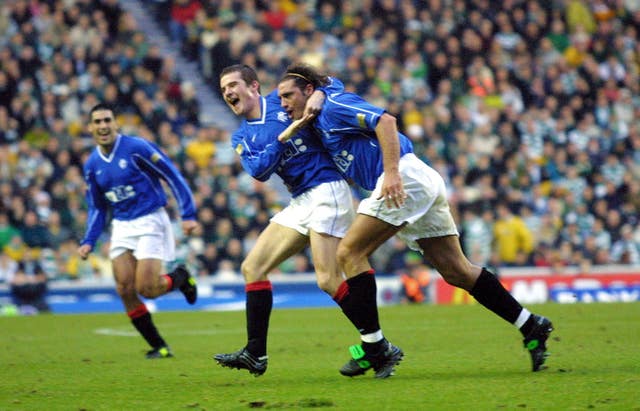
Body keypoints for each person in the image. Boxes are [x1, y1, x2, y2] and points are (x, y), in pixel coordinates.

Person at [277, 63, 554, 373]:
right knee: (456, 271)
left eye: (288, 95)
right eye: (280, 98)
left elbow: (385, 120)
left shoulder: (333, 106)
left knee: (349, 252)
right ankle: (530, 324)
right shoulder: (318, 115)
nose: (284, 103)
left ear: (309, 91)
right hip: (419, 179)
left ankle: (374, 347)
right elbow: (332, 85)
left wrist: (392, 172)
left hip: (401, 176)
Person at [213, 64, 402, 378]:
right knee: (252, 267)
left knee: (328, 279)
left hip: (327, 189)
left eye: (233, 85)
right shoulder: (241, 135)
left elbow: (330, 83)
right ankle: (255, 353)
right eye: (223, 90)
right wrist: (282, 138)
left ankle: (379, 346)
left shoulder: (281, 99)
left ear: (254, 86)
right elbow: (258, 170)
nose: (229, 93)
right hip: (300, 199)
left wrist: (321, 96)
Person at [77, 103, 201, 359]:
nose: (103, 126)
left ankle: (180, 277)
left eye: (107, 120)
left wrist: (188, 214)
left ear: (116, 123)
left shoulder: (136, 148)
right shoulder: (91, 165)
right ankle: (159, 346)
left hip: (150, 220)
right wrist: (89, 240)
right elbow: (98, 207)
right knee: (124, 288)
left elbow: (173, 176)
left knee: (147, 288)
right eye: (97, 122)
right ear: (90, 128)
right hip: (122, 225)